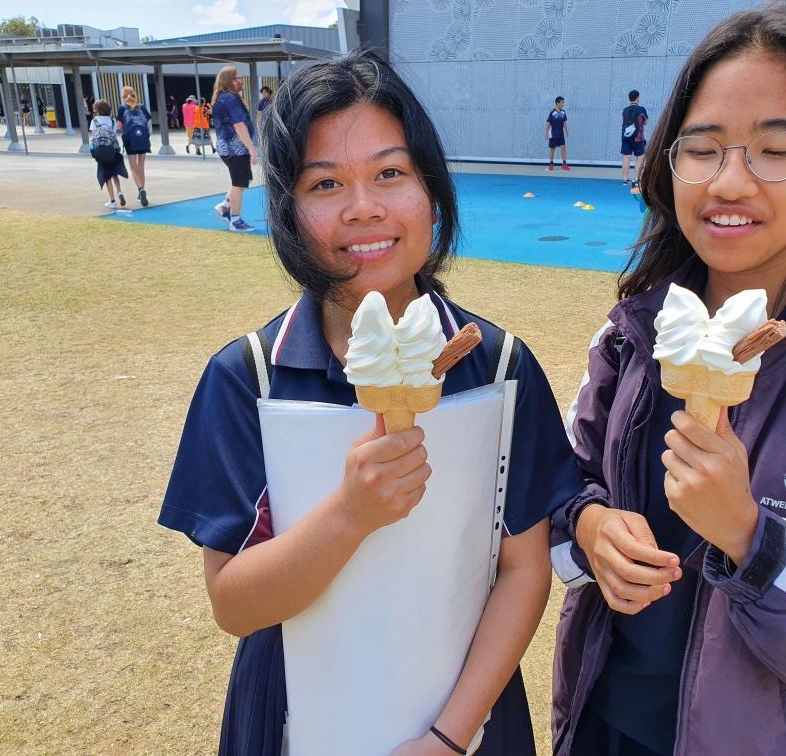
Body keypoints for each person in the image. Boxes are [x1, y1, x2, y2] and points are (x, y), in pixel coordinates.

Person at [158, 50, 582, 756]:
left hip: (466, 715)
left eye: (390, 173)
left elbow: (523, 569)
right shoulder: (247, 377)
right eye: (325, 183)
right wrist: (350, 514)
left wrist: (449, 737)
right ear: (290, 210)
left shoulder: (500, 366)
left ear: (431, 189)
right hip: (296, 714)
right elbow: (234, 604)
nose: (364, 208)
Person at [550, 3, 786, 755]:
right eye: (702, 149)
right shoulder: (634, 333)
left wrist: (750, 537)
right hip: (605, 726)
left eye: (776, 149)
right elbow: (562, 485)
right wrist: (591, 529)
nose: (729, 182)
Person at [210, 67, 258, 232]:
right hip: (234, 148)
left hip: (230, 147)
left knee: (244, 179)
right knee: (239, 183)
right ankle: (235, 219)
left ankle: (225, 206)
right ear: (229, 80)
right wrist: (251, 149)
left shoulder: (223, 97)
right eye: (238, 78)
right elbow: (239, 125)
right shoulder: (230, 98)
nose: (241, 81)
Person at [88, 99, 128, 210]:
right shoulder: (112, 120)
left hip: (102, 151)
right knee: (115, 173)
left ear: (97, 110)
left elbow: (93, 136)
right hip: (113, 150)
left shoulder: (94, 121)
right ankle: (119, 192)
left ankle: (112, 201)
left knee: (106, 176)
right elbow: (113, 133)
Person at [116, 85, 152, 207]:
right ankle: (142, 191)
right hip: (143, 138)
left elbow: (119, 126)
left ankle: (141, 189)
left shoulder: (122, 108)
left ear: (123, 96)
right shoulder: (141, 106)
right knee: (141, 165)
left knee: (133, 166)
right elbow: (148, 122)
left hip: (130, 139)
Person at [620, 89, 648, 186]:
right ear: (637, 98)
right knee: (640, 157)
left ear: (629, 98)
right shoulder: (641, 109)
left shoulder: (625, 110)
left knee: (626, 156)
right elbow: (645, 122)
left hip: (626, 136)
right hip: (638, 137)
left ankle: (625, 179)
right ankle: (636, 179)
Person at [546, 96, 569, 171]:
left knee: (563, 147)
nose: (563, 104)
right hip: (553, 134)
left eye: (563, 102)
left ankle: (564, 164)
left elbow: (564, 123)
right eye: (562, 102)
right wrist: (546, 134)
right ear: (557, 103)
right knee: (552, 149)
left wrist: (566, 131)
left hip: (561, 134)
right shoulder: (552, 113)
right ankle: (551, 164)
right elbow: (548, 123)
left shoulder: (563, 112)